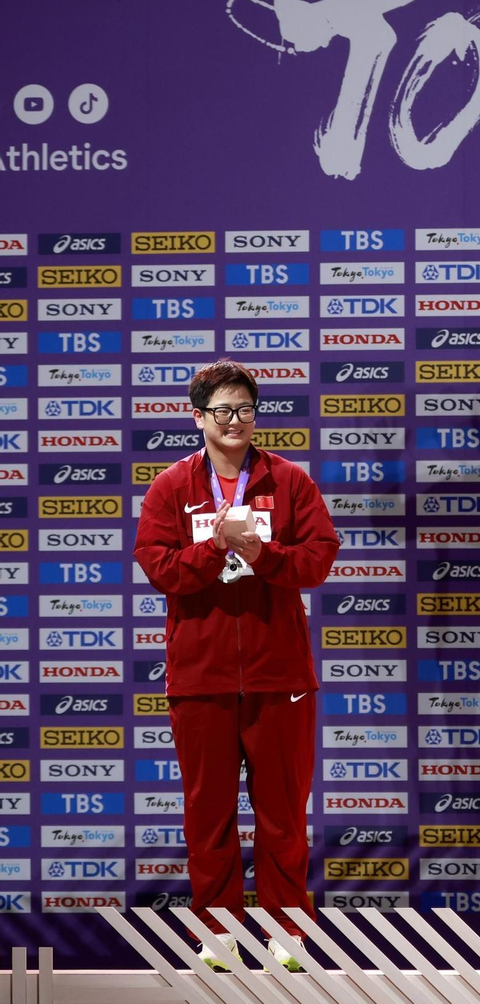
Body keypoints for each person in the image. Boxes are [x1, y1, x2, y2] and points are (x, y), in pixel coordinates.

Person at [134, 359, 340, 970]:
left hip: (281, 677)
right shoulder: (172, 486)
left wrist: (263, 553)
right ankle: (218, 935)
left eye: (245, 409)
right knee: (209, 813)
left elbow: (319, 559)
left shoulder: (290, 480)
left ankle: (288, 934)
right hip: (201, 678)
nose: (235, 421)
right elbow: (158, 568)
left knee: (283, 815)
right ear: (197, 417)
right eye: (222, 410)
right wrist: (214, 549)